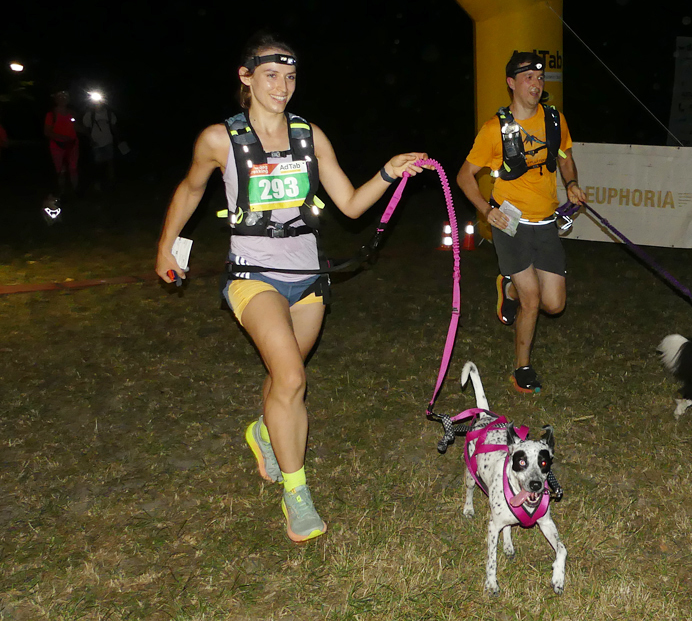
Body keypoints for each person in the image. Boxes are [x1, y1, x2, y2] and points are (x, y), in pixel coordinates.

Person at [154, 34, 428, 543]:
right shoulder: (219, 139)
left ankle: (263, 430)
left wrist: (388, 172)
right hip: (252, 275)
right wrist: (166, 245)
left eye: (291, 77)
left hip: (309, 278)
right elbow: (191, 189)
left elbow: (350, 204)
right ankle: (296, 493)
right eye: (271, 75)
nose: (282, 86)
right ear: (246, 77)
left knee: (285, 380)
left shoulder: (309, 135)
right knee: (292, 376)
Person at [456, 51, 587, 395]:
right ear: (511, 83)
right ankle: (522, 368)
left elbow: (565, 157)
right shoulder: (494, 129)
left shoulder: (555, 120)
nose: (536, 83)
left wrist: (572, 183)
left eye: (540, 77)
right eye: (528, 77)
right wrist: (485, 210)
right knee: (532, 300)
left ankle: (508, 288)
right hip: (509, 222)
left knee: (554, 304)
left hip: (545, 223)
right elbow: (465, 176)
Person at [44, 90, 79, 194]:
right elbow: (47, 131)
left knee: (73, 168)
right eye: (60, 97)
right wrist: (62, 137)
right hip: (57, 145)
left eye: (65, 97)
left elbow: (76, 127)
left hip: (72, 144)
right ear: (56, 99)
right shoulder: (51, 114)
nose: (63, 99)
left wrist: (88, 132)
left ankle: (75, 191)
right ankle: (61, 192)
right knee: (60, 170)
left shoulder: (72, 113)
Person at [82, 98, 118, 190]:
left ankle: (111, 183)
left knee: (110, 163)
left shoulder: (109, 114)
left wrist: (118, 139)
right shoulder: (89, 114)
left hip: (108, 141)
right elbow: (86, 129)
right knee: (97, 164)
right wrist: (90, 140)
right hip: (96, 143)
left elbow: (114, 127)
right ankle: (98, 183)